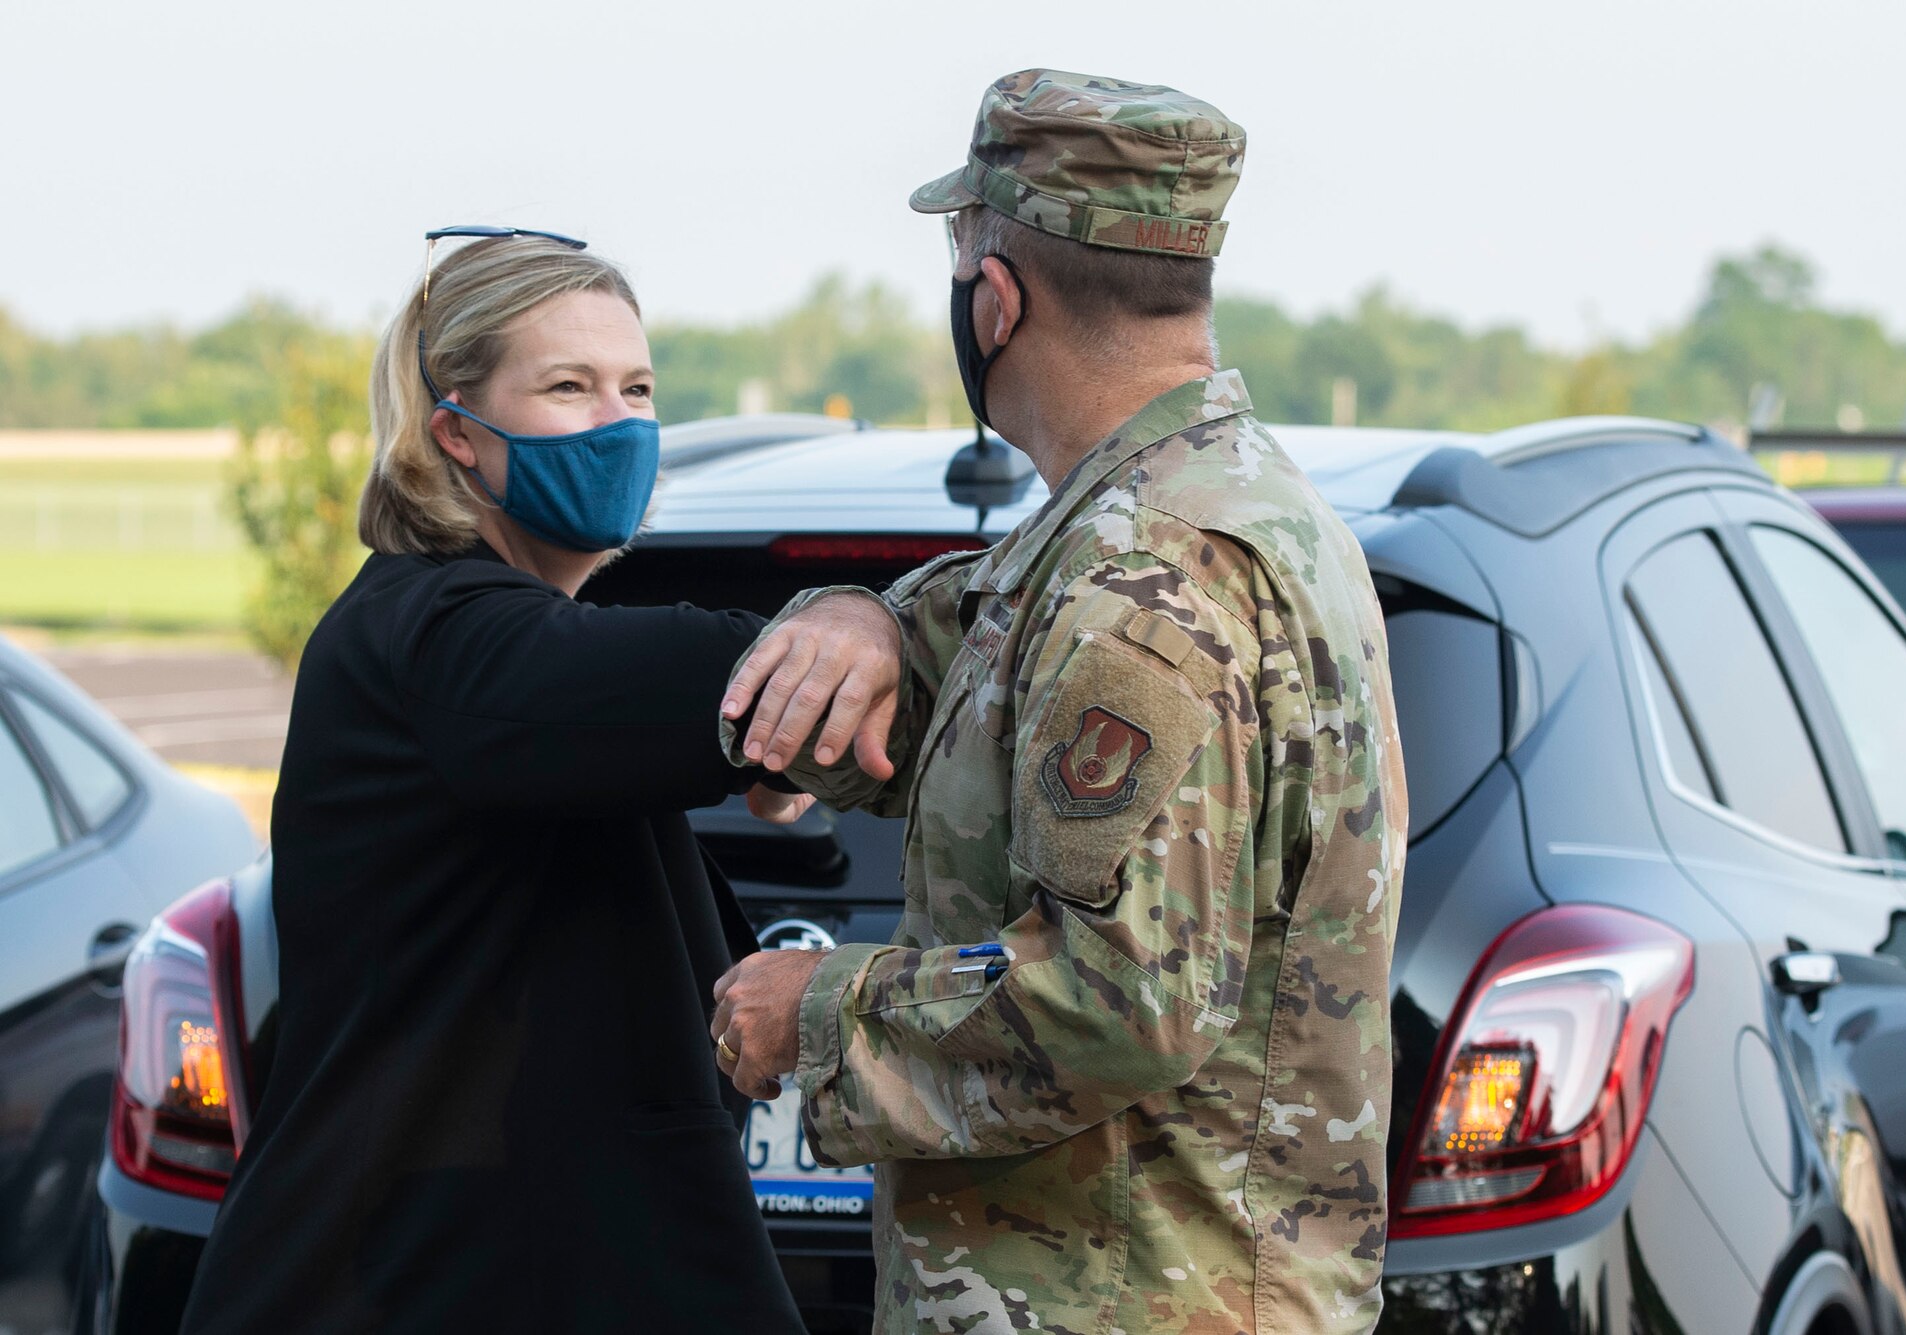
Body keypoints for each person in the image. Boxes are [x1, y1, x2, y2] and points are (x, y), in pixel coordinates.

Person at [712, 70, 1410, 1333]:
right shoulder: (1203, 506)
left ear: (993, 301)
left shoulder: (1148, 570)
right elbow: (991, 650)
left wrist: (813, 1013)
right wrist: (861, 616)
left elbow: (1119, 999)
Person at [180, 229, 894, 1334]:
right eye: (568, 386)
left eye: (638, 387)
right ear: (455, 431)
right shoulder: (436, 633)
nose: (620, 422)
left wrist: (781, 720)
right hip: (405, 1280)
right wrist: (841, 631)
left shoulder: (502, 641)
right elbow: (641, 676)